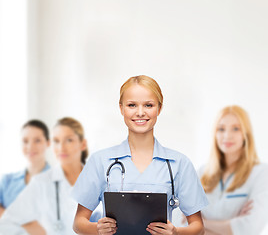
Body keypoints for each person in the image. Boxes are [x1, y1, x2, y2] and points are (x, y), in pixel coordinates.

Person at [72, 75, 208, 235]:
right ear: (121, 108)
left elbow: (198, 227)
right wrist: (97, 229)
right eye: (132, 105)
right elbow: (78, 223)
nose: (140, 112)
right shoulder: (100, 161)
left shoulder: (179, 164)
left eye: (148, 105)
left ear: (159, 108)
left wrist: (175, 232)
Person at [0, 117, 102, 235]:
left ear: (83, 144)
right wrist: (28, 226)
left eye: (69, 140)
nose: (61, 148)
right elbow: (7, 223)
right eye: (56, 141)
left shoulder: (99, 180)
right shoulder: (40, 182)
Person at [199, 105, 268, 235]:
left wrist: (200, 223)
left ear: (246, 134)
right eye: (221, 129)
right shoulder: (201, 173)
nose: (227, 135)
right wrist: (232, 227)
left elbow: (250, 227)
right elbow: (181, 223)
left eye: (236, 129)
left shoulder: (261, 173)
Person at [0, 119, 50, 217]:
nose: (30, 147)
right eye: (25, 141)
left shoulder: (60, 182)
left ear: (48, 143)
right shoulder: (6, 181)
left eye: (37, 141)